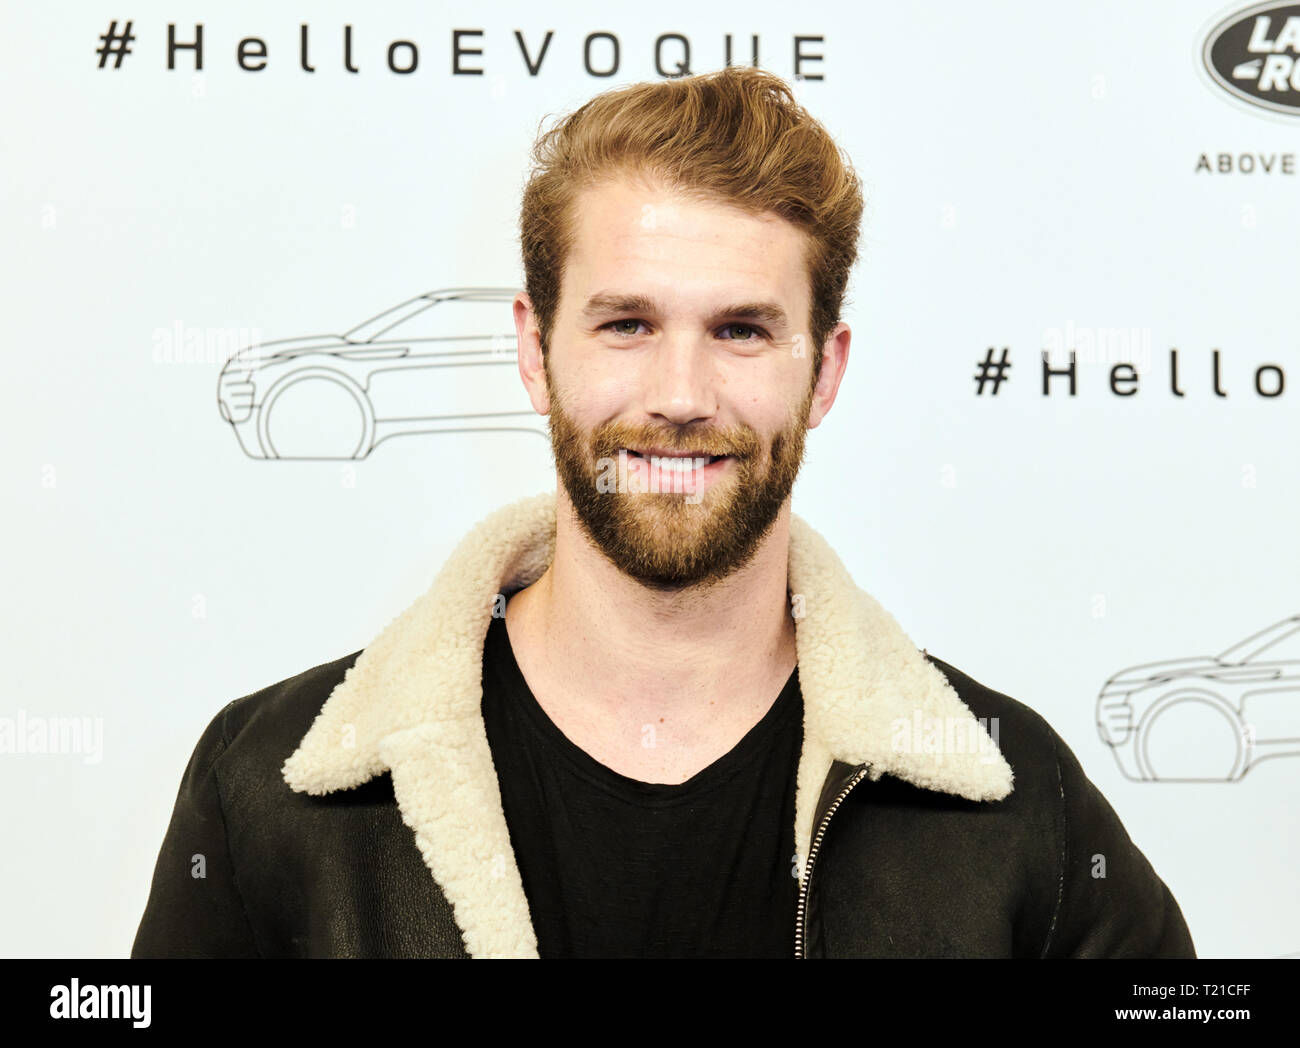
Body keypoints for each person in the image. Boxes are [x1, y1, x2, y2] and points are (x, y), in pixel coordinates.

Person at [131, 65, 1195, 959]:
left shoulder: (1009, 804)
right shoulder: (273, 793)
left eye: (740, 330)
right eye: (627, 324)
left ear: (822, 373)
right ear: (532, 351)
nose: (680, 396)